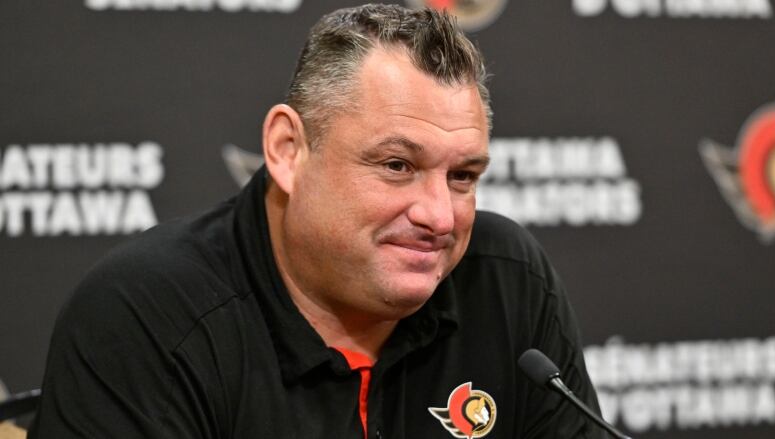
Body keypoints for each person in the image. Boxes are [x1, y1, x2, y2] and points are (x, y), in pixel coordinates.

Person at [29, 4, 604, 438]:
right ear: (287, 150)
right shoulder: (147, 314)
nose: (438, 216)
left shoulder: (506, 278)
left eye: (462, 177)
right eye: (397, 165)